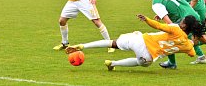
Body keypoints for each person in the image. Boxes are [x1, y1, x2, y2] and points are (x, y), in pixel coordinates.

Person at [66, 14, 197, 71]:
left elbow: (159, 26)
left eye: (183, 21)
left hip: (140, 41)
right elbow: (192, 54)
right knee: (143, 63)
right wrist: (192, 42)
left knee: (113, 43)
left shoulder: (175, 28)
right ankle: (112, 63)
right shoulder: (187, 45)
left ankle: (83, 45)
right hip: (147, 57)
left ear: (185, 26)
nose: (181, 22)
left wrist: (147, 19)